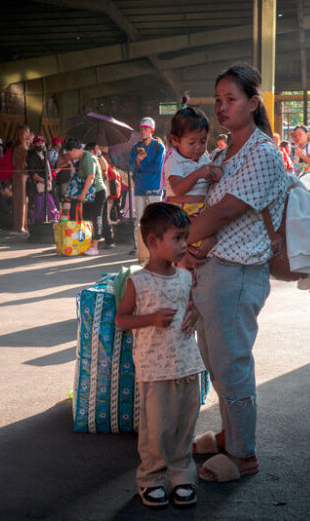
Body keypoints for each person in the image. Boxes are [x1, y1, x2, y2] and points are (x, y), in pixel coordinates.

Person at [181, 64, 289, 483]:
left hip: (239, 274)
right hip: (212, 271)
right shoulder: (222, 154)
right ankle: (229, 436)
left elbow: (224, 211)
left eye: (231, 99)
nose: (222, 107)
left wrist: (175, 243)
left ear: (253, 103)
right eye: (218, 100)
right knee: (216, 361)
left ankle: (244, 455)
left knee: (232, 365)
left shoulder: (262, 152)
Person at [115, 203, 203, 509]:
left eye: (185, 237)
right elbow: (121, 319)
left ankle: (182, 476)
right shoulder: (137, 281)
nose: (184, 245)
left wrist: (195, 313)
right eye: (177, 238)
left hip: (187, 366)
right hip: (155, 370)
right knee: (157, 429)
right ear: (153, 242)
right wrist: (151, 319)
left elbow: (191, 308)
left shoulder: (186, 277)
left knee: (184, 426)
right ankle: (151, 478)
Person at [128, 117, 165, 261]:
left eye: (145, 128)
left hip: (154, 187)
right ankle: (140, 248)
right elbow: (131, 166)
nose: (142, 131)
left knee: (156, 219)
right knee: (140, 219)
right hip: (140, 187)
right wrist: (137, 160)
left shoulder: (158, 146)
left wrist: (142, 162)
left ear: (151, 131)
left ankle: (158, 248)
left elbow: (158, 166)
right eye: (141, 128)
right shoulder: (135, 147)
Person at [62, 137, 106, 255]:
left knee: (96, 218)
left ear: (74, 150)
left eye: (70, 154)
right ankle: (87, 244)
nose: (70, 156)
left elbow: (90, 177)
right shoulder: (81, 159)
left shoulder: (88, 158)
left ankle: (95, 246)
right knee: (86, 219)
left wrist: (83, 194)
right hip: (88, 194)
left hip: (97, 192)